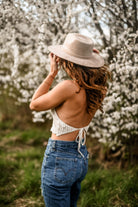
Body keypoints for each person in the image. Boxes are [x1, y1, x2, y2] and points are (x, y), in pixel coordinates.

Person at [29, 33, 111, 207]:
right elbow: (101, 73)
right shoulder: (99, 89)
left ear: (67, 62)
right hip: (80, 157)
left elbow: (34, 104)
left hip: (60, 157)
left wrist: (51, 74)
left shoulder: (68, 87)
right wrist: (94, 58)